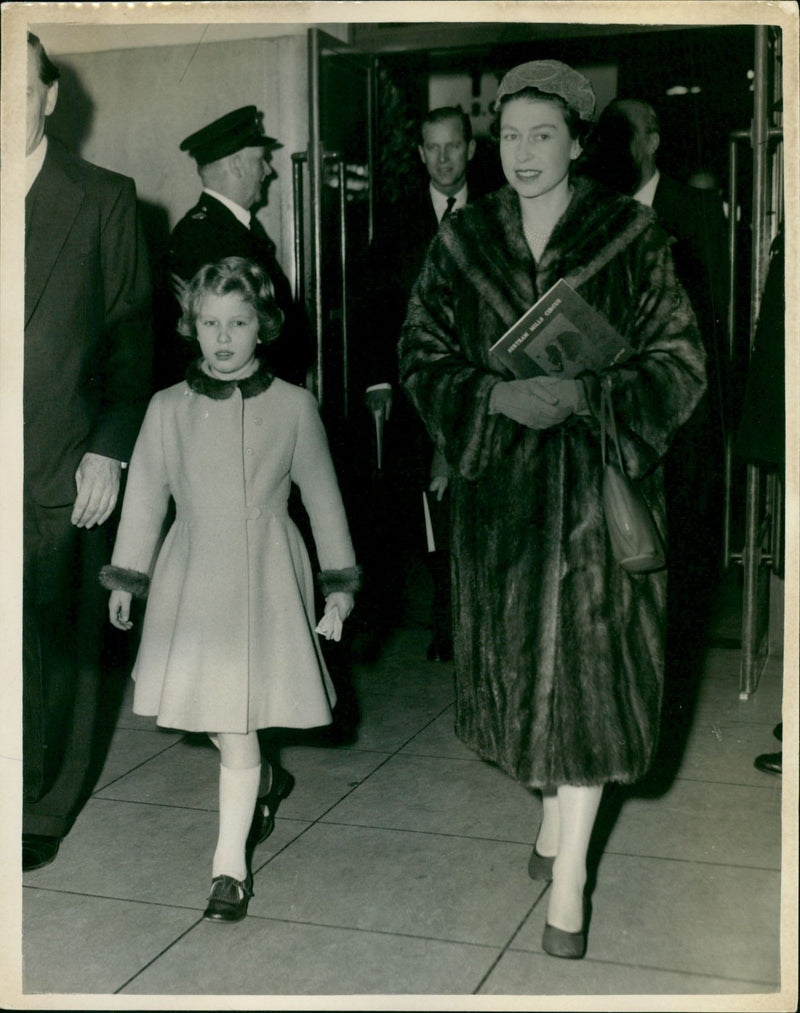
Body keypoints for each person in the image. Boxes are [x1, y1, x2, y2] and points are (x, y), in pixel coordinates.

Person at [399, 60, 706, 959]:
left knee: (591, 689)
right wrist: (488, 401)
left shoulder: (631, 236)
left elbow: (679, 363)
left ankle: (570, 879)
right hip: (501, 507)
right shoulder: (462, 242)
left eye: (544, 136)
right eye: (512, 137)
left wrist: (589, 398)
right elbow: (421, 354)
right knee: (522, 694)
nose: (525, 154)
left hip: (596, 498)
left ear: (578, 142)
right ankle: (549, 817)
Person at [100, 257, 361, 922]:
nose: (222, 337)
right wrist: (129, 575)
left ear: (263, 326)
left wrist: (339, 586)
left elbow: (325, 501)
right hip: (192, 577)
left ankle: (228, 866)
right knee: (223, 717)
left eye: (237, 322)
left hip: (266, 575)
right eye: (210, 323)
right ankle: (266, 781)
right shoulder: (167, 409)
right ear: (192, 326)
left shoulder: (295, 407)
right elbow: (144, 500)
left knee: (238, 721)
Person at [23, 33, 153, 872]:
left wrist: (108, 450)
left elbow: (131, 342)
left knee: (57, 645)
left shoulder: (100, 197)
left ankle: (42, 802)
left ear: (47, 96)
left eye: (13, 85)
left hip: (58, 461)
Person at [582, 98, 729, 641]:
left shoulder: (695, 209)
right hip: (614, 409)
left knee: (676, 540)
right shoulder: (597, 212)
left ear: (652, 140)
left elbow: (714, 316)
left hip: (677, 411)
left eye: (628, 133)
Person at [358, 107, 483, 661]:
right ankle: (448, 621)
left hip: (484, 385)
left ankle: (483, 617)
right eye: (431, 148)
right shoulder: (395, 220)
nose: (442, 158)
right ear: (419, 154)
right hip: (418, 394)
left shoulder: (500, 209)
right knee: (433, 507)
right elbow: (373, 306)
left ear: (471, 148)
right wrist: (377, 379)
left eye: (452, 146)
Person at [162, 106, 311, 388]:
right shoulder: (201, 235)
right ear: (237, 164)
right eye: (262, 160)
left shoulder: (234, 227)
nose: (268, 170)